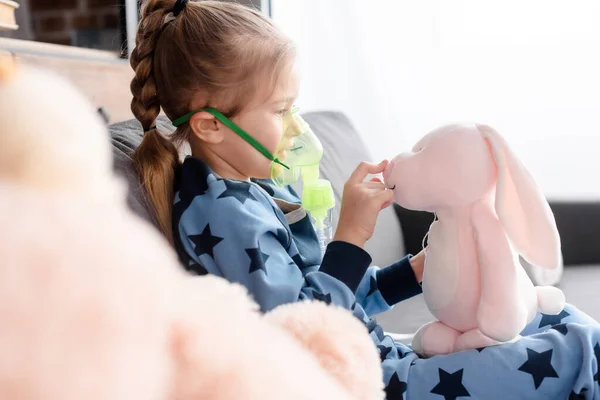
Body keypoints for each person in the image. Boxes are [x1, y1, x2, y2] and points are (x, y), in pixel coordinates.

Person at [129, 1, 600, 398]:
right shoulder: (225, 216)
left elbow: (346, 296)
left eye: (294, 107)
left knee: (561, 316)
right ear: (211, 125)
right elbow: (304, 329)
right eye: (280, 110)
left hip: (376, 355)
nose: (296, 127)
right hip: (365, 379)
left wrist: (418, 270)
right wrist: (350, 237)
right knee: (578, 348)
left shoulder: (256, 190)